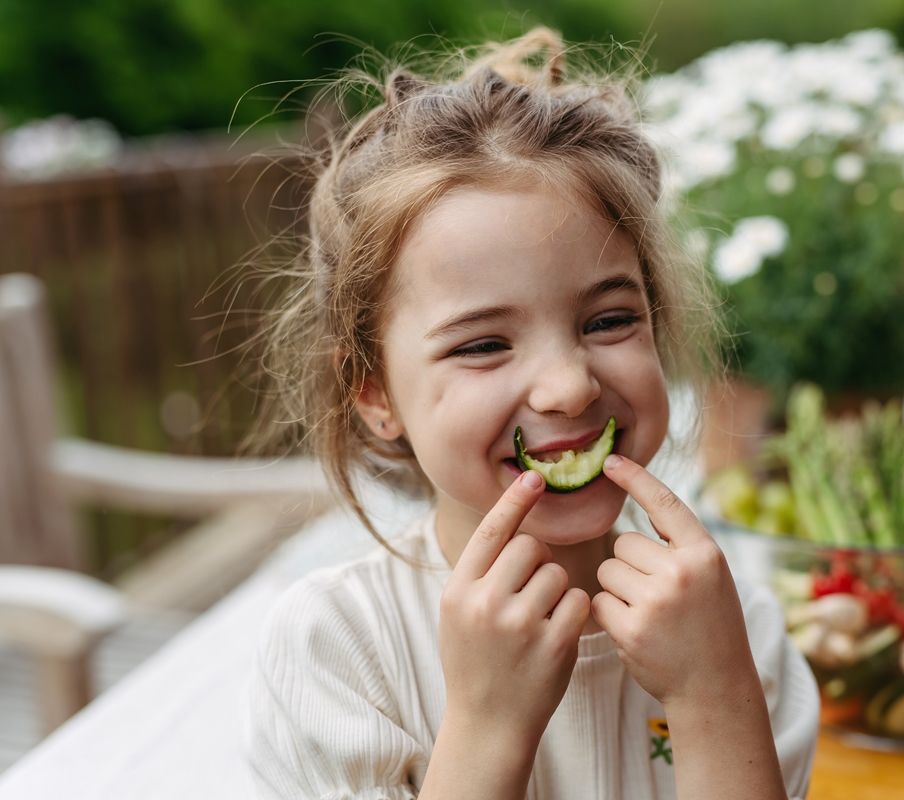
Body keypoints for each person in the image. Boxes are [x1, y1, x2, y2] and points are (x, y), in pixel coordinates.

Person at [244, 27, 819, 800]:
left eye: (609, 320)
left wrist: (712, 696)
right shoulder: (340, 648)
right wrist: (487, 724)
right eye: (483, 344)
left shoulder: (730, 627)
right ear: (376, 394)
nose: (568, 388)